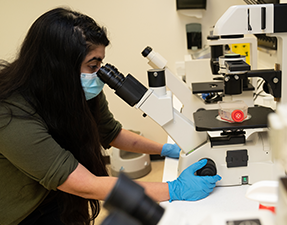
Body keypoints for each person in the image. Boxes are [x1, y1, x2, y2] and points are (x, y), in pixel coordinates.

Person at [0, 7, 221, 225]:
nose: (99, 74)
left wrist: (167, 149)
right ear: (58, 66)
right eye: (93, 65)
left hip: (59, 194)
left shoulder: (76, 90)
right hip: (24, 213)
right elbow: (85, 184)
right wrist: (174, 189)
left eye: (101, 64)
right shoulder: (10, 114)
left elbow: (112, 134)